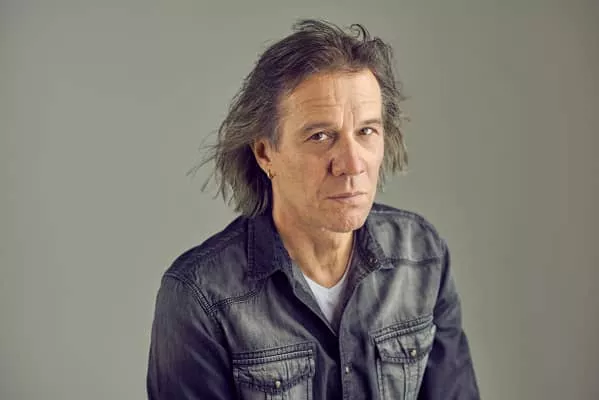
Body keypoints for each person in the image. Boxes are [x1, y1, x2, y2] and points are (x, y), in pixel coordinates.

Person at [147, 19, 480, 400]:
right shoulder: (199, 295)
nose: (351, 164)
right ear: (265, 153)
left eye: (366, 131)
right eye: (320, 136)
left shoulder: (422, 255)